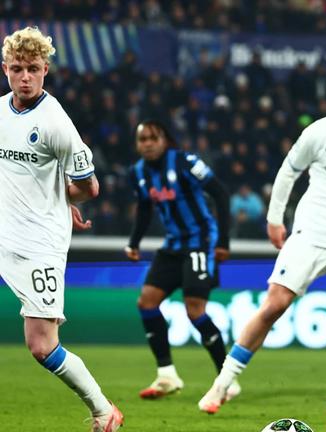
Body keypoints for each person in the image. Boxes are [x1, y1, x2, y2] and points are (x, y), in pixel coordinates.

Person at [197, 67, 326, 419]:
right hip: (311, 233)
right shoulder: (319, 132)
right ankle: (222, 383)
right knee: (273, 306)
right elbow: (288, 172)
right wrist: (274, 218)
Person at [0, 27, 123, 432]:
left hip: (40, 243)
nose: (24, 77)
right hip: (4, 231)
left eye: (32, 69)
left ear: (45, 71)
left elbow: (90, 187)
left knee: (41, 346)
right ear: (5, 69)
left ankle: (104, 411)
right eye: (17, 69)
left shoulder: (56, 123)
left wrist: (62, 198)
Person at [125, 119, 237, 401]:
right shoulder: (138, 172)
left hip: (200, 241)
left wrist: (223, 241)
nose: (148, 144)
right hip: (172, 246)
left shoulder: (185, 161)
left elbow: (221, 193)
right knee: (147, 303)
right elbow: (144, 209)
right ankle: (167, 375)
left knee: (194, 309)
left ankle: (226, 379)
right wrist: (134, 242)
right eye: (142, 140)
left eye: (153, 138)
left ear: (164, 140)